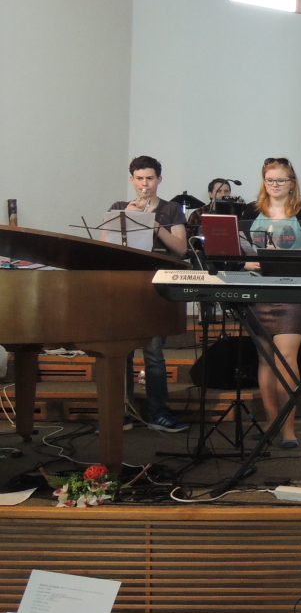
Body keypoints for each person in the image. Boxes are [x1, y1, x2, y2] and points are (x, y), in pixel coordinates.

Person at [240, 157, 301, 449]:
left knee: (287, 361)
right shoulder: (250, 212)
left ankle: (288, 428)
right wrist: (246, 263)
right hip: (258, 294)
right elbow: (236, 251)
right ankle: (271, 422)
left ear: (292, 183)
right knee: (265, 361)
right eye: (269, 180)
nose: (274, 185)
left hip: (292, 295)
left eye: (280, 180)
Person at [111, 156, 189, 433]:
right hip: (127, 286)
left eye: (150, 178)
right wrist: (127, 219)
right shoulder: (118, 208)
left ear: (159, 179)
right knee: (122, 352)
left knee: (154, 352)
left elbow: (181, 249)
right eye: (139, 178)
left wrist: (154, 224)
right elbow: (106, 245)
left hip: (157, 287)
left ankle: (159, 413)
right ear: (132, 179)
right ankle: (121, 412)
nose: (145, 184)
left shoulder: (171, 209)